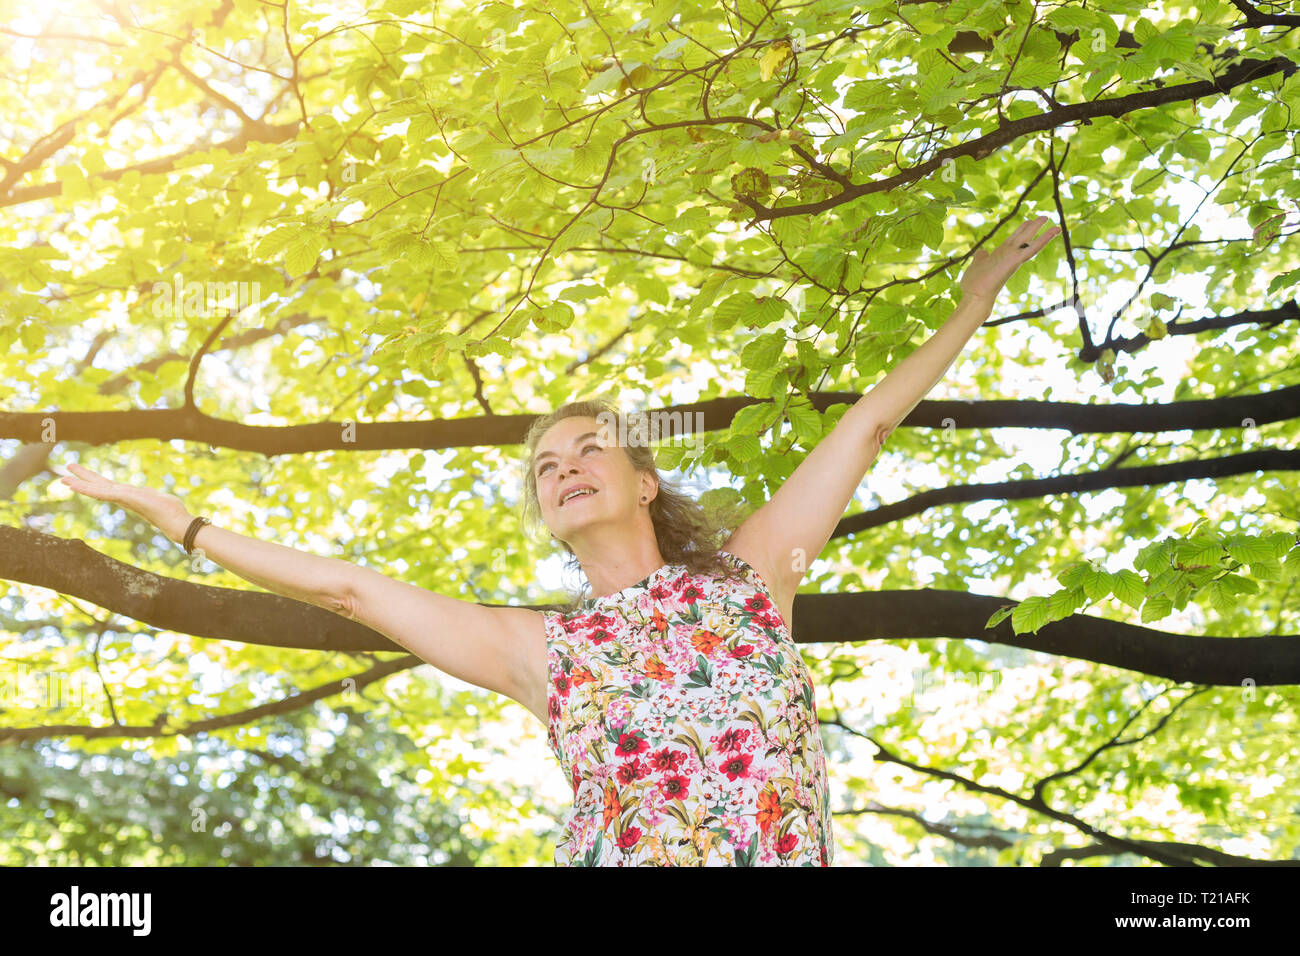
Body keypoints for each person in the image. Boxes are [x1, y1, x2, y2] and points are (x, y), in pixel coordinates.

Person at [57, 215, 1060, 865]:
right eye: (544, 466)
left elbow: (864, 426)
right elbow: (349, 589)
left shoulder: (752, 581)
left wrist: (969, 303)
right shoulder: (544, 648)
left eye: (589, 448)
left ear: (644, 478)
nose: (564, 466)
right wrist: (176, 517)